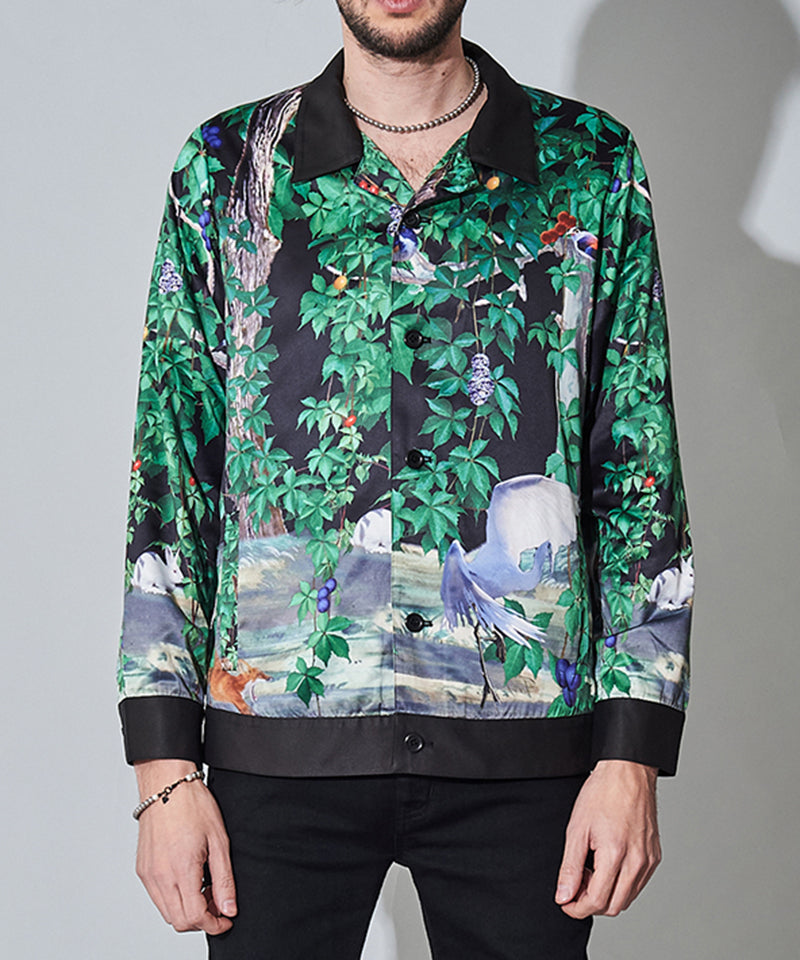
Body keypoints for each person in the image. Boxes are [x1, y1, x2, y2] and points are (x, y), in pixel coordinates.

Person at [117, 1, 695, 957]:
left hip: (523, 746)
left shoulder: (590, 164)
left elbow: (637, 464)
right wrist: (163, 772)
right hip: (279, 747)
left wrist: (633, 751)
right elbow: (172, 464)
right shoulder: (226, 169)